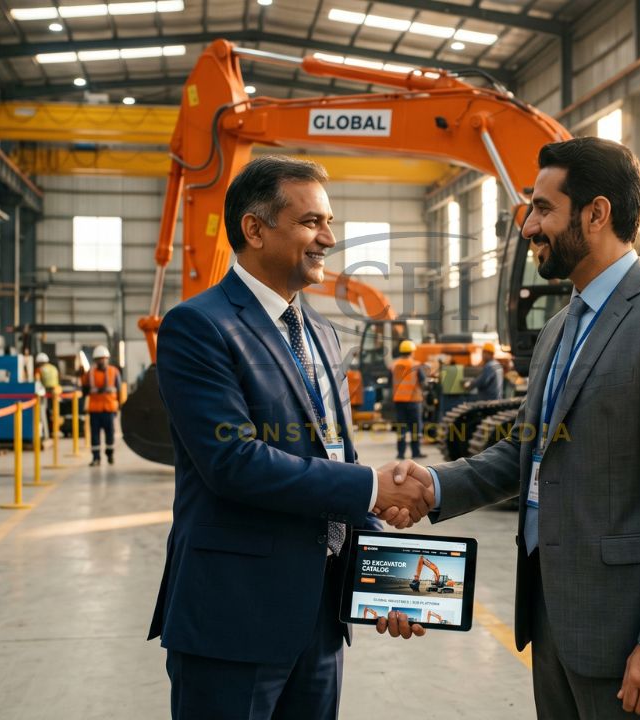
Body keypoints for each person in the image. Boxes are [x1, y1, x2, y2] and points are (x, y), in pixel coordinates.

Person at [387, 138, 640, 719]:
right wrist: (432, 484)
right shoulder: (561, 327)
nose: (529, 227)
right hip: (554, 623)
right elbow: (526, 451)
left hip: (633, 640)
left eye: (543, 209)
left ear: (596, 214)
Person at [148, 155, 434, 720]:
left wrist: (388, 579)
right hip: (235, 616)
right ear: (255, 229)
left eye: (329, 223)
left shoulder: (322, 334)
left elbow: (334, 460)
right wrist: (371, 487)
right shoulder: (198, 327)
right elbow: (232, 461)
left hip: (322, 620)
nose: (328, 238)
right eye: (311, 222)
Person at [81, 345, 122, 466]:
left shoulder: (114, 371)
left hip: (109, 409)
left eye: (104, 358)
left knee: (110, 434)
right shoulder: (90, 373)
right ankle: (96, 458)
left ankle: (110, 454)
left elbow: (119, 390)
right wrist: (81, 376)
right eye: (99, 358)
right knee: (94, 436)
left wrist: (119, 405)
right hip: (95, 410)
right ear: (95, 360)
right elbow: (84, 390)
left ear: (107, 359)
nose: (102, 360)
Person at [390, 339, 428, 460]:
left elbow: (389, 382)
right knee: (416, 427)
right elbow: (423, 382)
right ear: (412, 352)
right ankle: (415, 452)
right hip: (413, 401)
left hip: (399, 401)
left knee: (401, 427)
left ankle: (400, 454)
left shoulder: (394, 365)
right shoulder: (416, 365)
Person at [34, 352, 61, 439]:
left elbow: (37, 381)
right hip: (56, 392)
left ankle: (47, 433)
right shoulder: (53, 368)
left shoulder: (39, 369)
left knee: (44, 413)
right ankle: (55, 431)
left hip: (45, 393)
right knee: (55, 413)